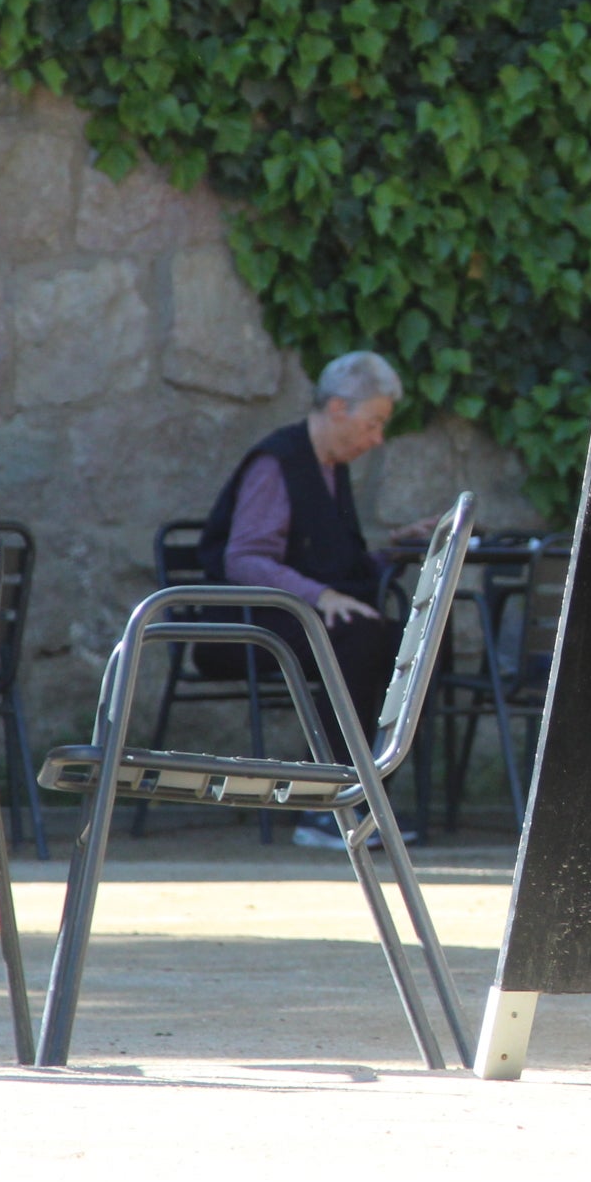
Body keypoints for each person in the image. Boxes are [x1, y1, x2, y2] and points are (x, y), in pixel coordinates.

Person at [195, 351, 435, 848]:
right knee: (358, 640)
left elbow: (331, 559)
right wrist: (319, 596)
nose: (377, 439)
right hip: (247, 626)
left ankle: (369, 796)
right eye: (372, 424)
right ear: (339, 409)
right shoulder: (277, 463)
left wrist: (396, 547)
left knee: (412, 640)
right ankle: (330, 805)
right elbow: (243, 558)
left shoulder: (332, 469)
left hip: (301, 621)